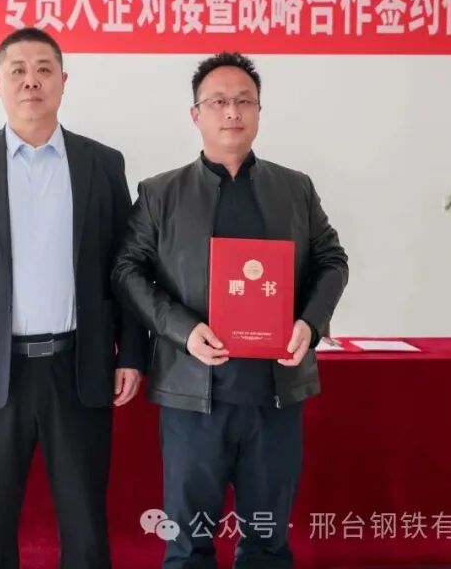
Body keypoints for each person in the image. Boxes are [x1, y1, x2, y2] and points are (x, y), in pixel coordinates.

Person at [111, 52, 349, 568]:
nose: (233, 112)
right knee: (187, 545)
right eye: (218, 101)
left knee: (266, 541)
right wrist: (182, 329)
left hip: (275, 394)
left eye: (244, 101)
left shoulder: (294, 188)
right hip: (192, 395)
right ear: (196, 114)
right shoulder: (161, 193)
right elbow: (127, 271)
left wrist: (310, 323)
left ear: (259, 111)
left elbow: (332, 260)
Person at [0, 27, 147, 569]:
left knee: (85, 523)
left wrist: (133, 353)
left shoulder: (102, 163)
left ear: (63, 81)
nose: (31, 82)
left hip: (79, 365)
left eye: (44, 70)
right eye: (18, 71)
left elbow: (127, 267)